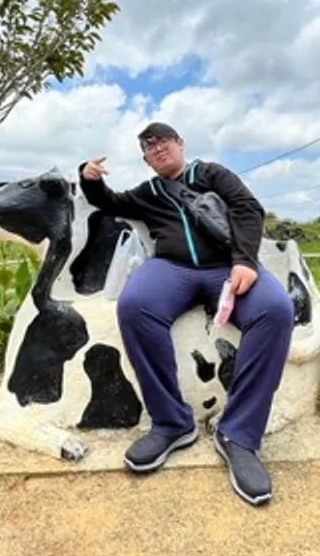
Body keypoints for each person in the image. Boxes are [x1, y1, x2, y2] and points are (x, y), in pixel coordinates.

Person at [79, 122, 294, 506]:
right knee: (135, 305)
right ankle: (172, 423)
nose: (157, 147)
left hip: (227, 267)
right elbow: (110, 202)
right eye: (148, 146)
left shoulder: (212, 174)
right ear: (146, 159)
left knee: (275, 310)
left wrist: (245, 261)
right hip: (172, 269)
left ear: (180, 144)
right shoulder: (148, 192)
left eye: (163, 140)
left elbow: (248, 209)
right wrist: (89, 178)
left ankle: (239, 435)